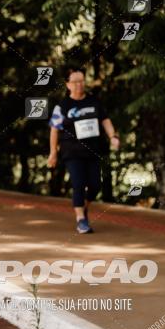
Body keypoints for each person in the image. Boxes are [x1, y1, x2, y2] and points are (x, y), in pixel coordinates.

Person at [48, 67, 120, 233]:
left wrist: (113, 137)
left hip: (93, 151)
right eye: (75, 82)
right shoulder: (63, 106)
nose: (79, 85)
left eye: (82, 81)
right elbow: (54, 129)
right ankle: (80, 219)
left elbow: (105, 120)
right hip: (72, 152)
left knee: (95, 186)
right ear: (68, 85)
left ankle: (84, 207)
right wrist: (53, 152)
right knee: (78, 183)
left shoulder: (94, 102)